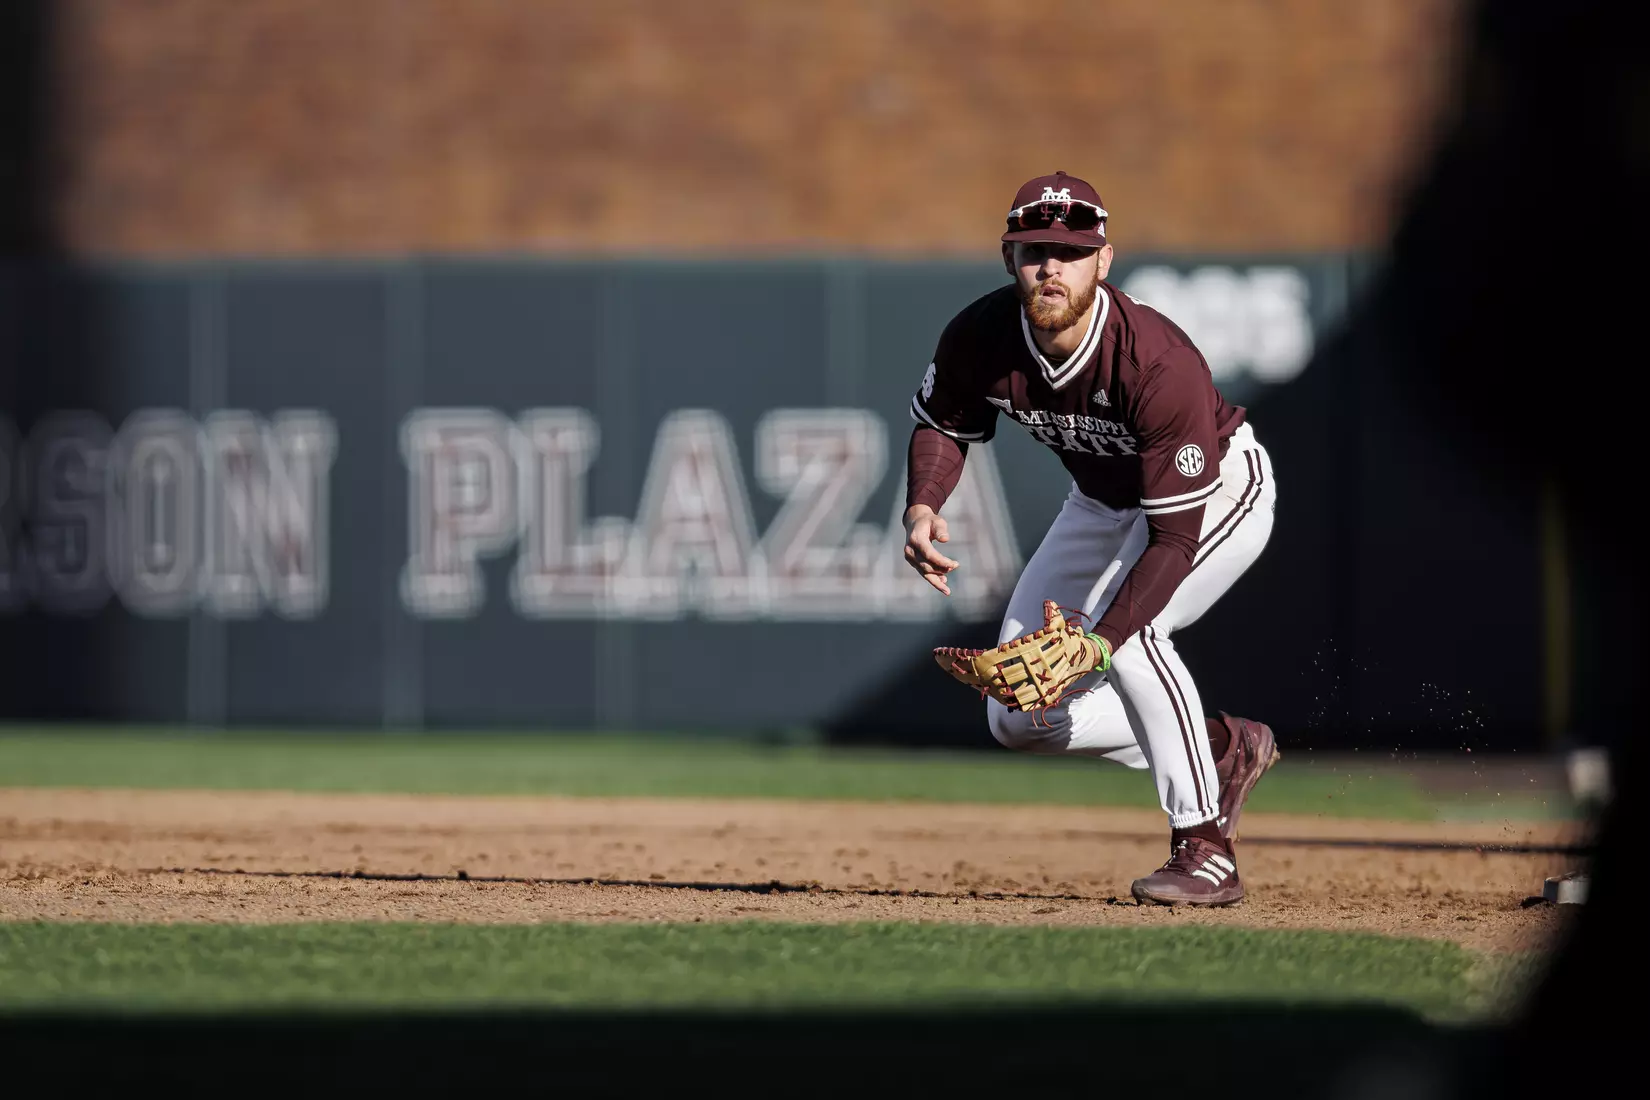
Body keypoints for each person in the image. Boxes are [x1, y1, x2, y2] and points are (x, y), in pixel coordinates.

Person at [903, 170, 1281, 906]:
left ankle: (1204, 848)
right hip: (1102, 502)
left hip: (1218, 492)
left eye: (1071, 251)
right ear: (1008, 258)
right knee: (1018, 715)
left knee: (1137, 637)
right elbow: (943, 423)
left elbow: (1172, 542)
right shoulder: (981, 336)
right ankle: (1215, 748)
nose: (1052, 266)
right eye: (1035, 248)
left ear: (1104, 262)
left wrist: (1098, 640)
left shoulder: (1156, 362)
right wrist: (923, 506)